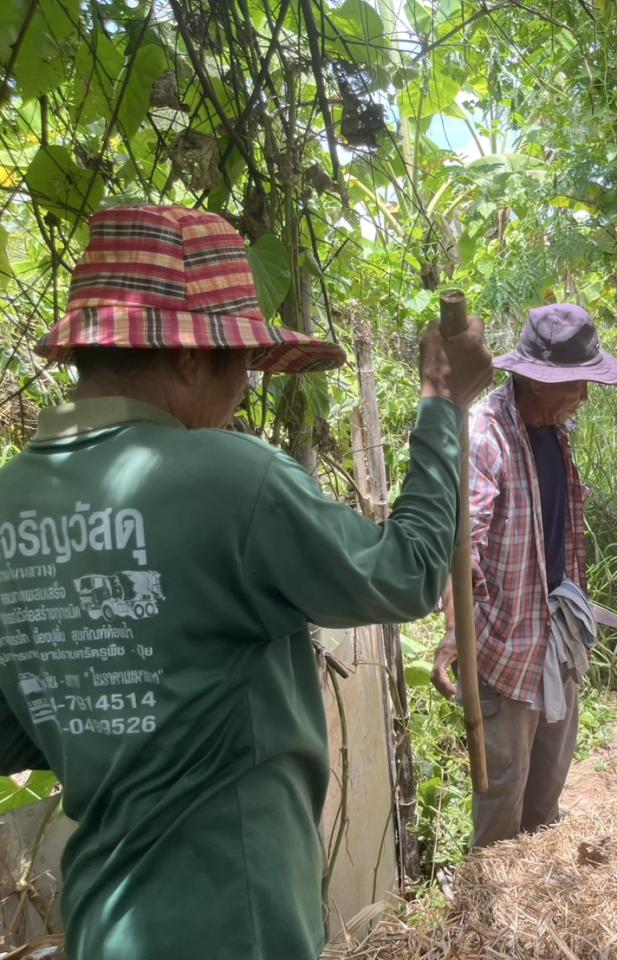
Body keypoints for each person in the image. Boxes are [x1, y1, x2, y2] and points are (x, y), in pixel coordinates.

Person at [0, 205, 492, 960]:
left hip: (103, 921)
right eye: (239, 368)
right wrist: (441, 403)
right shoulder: (230, 481)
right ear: (192, 359)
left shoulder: (11, 504)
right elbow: (408, 574)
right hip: (236, 924)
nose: (239, 399)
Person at [432, 303, 617, 847]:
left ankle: (537, 911)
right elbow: (460, 541)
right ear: (537, 382)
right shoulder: (485, 436)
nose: (583, 397)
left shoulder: (553, 430)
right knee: (502, 799)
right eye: (576, 384)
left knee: (547, 790)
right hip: (508, 649)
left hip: (556, 636)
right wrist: (453, 630)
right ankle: (488, 913)